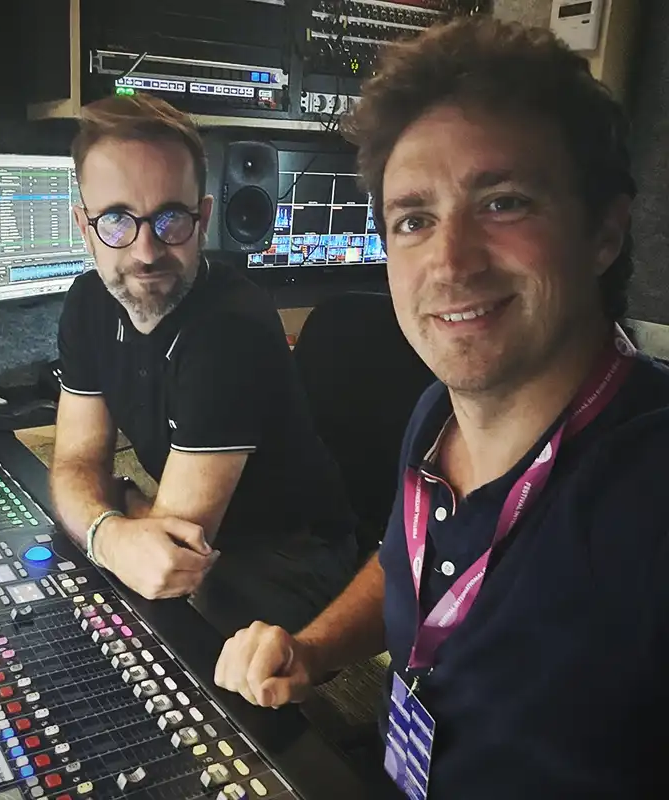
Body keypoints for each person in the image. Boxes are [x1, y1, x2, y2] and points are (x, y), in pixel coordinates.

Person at [214, 16, 669, 799]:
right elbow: (405, 562)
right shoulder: (436, 415)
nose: (450, 262)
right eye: (415, 220)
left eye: (504, 202)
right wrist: (315, 650)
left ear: (603, 231)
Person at [50, 93, 358, 637]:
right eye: (117, 220)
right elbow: (74, 462)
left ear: (205, 218)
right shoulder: (88, 302)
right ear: (83, 225)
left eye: (171, 218)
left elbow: (172, 559)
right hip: (200, 542)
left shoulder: (232, 328)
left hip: (289, 561)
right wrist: (111, 532)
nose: (146, 251)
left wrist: (115, 505)